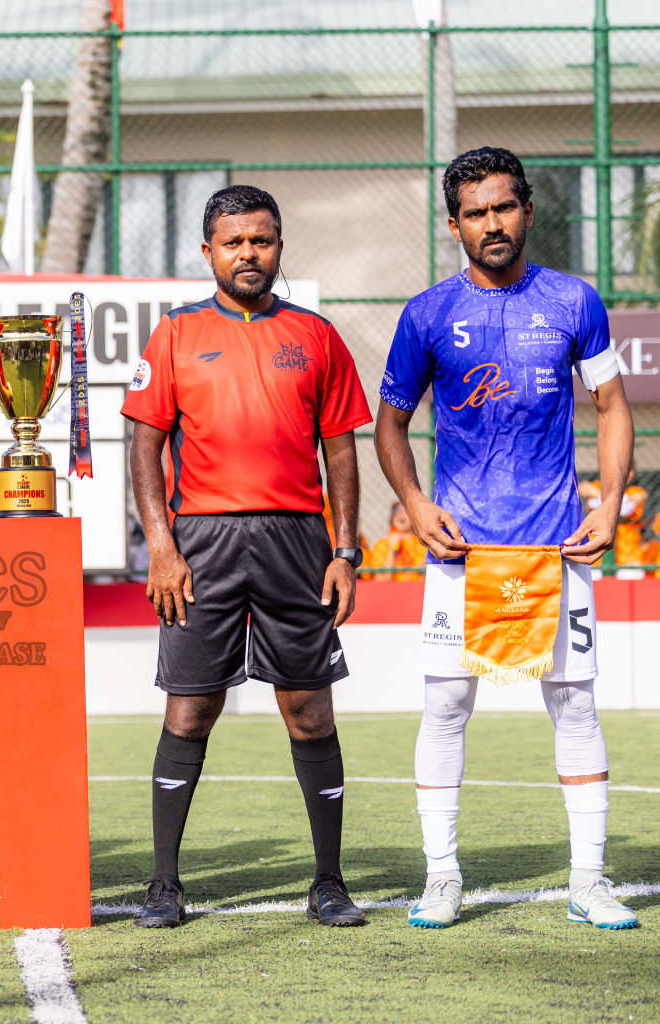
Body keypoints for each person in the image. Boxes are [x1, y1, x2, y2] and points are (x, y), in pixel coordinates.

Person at [375, 146, 638, 930]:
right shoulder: (425, 314)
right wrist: (416, 505)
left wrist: (611, 498)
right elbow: (389, 424)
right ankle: (442, 875)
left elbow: (614, 405)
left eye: (504, 207)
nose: (492, 224)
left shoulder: (575, 302)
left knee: (576, 707)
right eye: (475, 212)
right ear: (453, 223)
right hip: (462, 550)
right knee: (447, 705)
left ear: (527, 209)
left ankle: (588, 881)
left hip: (560, 544)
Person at [122, 184, 374, 929]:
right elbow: (145, 446)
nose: (248, 254)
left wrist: (345, 550)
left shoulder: (317, 336)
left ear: (279, 246)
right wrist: (161, 546)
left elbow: (341, 451)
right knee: (191, 708)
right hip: (201, 543)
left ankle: (328, 881)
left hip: (298, 541)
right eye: (233, 242)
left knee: (307, 708)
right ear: (208, 252)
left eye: (261, 241)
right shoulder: (174, 334)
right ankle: (165, 884)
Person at [368, 501, 427, 581]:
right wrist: (391, 551)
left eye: (405, 510)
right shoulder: (381, 544)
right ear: (392, 518)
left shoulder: (423, 544)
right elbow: (381, 579)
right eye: (396, 510)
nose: (400, 514)